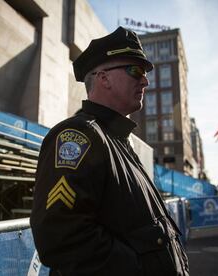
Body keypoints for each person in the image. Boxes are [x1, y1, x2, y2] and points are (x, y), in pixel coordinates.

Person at [30, 27, 190, 276]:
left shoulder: (119, 140)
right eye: (136, 71)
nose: (145, 81)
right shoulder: (79, 136)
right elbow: (60, 237)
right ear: (103, 78)